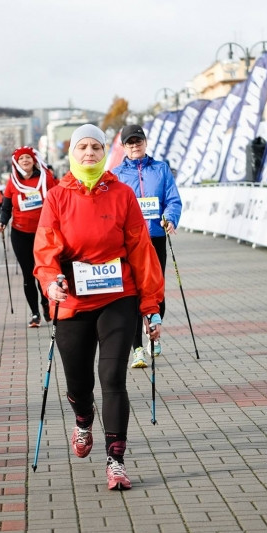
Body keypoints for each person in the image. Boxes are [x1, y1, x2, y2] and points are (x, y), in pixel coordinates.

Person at [34, 124, 164, 491]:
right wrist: (50, 280)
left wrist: (151, 305)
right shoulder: (58, 196)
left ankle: (116, 459)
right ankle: (83, 416)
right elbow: (45, 247)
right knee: (78, 380)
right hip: (73, 301)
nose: (89, 152)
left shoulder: (122, 194)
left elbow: (142, 251)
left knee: (113, 378)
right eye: (82, 147)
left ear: (106, 151)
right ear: (72, 154)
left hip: (116, 298)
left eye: (95, 146)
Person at [111, 124, 182, 368]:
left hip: (155, 237)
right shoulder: (117, 174)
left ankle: (154, 335)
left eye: (138, 140)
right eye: (129, 142)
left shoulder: (161, 169)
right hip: (129, 241)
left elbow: (172, 199)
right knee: (131, 294)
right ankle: (137, 348)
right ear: (123, 147)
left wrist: (170, 217)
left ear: (145, 142)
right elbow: (111, 208)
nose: (135, 145)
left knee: (155, 289)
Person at [0, 147, 57, 327]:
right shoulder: (13, 181)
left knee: (43, 273)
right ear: (16, 162)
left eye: (28, 157)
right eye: (21, 158)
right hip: (20, 233)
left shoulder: (46, 178)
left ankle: (46, 304)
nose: (25, 160)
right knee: (28, 274)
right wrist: (2, 222)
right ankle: (35, 314)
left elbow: (57, 200)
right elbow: (6, 207)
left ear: (33, 160)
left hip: (43, 234)